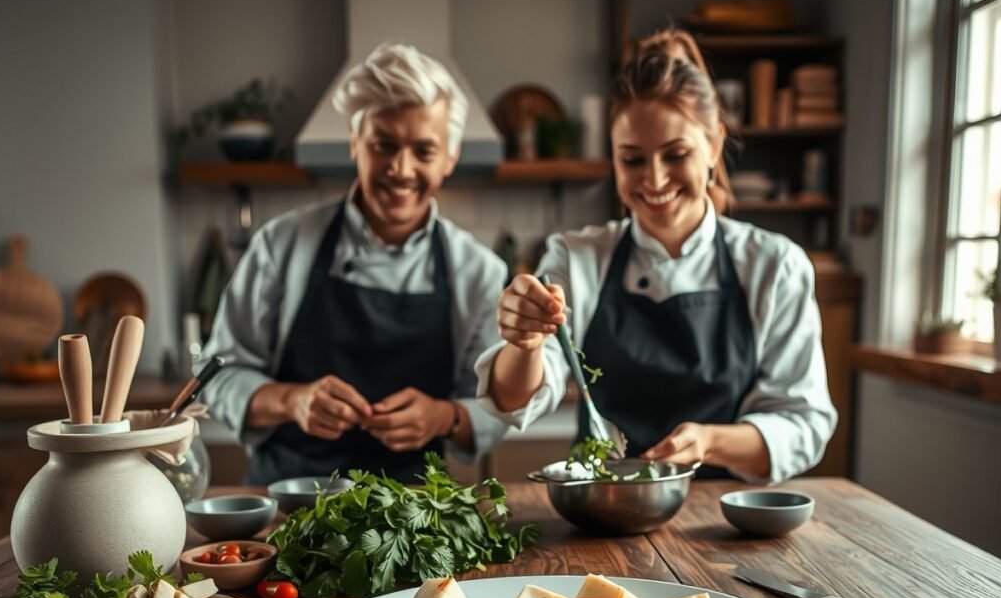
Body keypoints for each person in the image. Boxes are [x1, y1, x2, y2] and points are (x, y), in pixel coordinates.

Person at [478, 43, 837, 483]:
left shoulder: (774, 265)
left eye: (675, 154)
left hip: (725, 518)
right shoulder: (578, 257)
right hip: (604, 510)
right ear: (613, 158)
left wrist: (709, 442)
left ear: (713, 145)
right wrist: (524, 344)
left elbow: (803, 423)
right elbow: (515, 399)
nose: (655, 178)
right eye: (632, 159)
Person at [198, 43, 508, 484]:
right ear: (354, 142)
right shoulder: (280, 245)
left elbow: (498, 405)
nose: (401, 169)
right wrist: (292, 401)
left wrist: (443, 416)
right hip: (284, 506)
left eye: (424, 151)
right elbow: (217, 377)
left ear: (451, 157)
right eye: (384, 145)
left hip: (414, 516)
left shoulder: (479, 273)